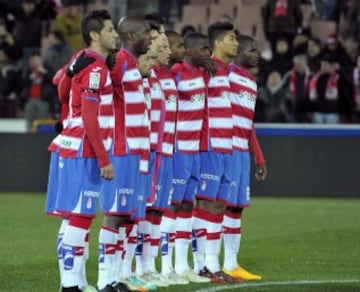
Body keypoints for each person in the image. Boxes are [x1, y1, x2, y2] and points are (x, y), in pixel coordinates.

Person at [46, 9, 118, 292]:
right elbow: (90, 116)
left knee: (72, 216)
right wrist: (104, 158)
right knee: (81, 216)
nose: (115, 34)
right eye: (111, 30)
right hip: (82, 147)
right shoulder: (97, 67)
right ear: (95, 34)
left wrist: (70, 73)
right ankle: (70, 286)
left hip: (69, 142)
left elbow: (59, 87)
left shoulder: (79, 59)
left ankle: (75, 282)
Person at [96, 15, 152, 292]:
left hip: (137, 151)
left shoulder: (132, 64)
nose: (150, 39)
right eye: (146, 35)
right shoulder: (119, 61)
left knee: (129, 216)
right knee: (115, 215)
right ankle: (105, 279)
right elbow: (93, 82)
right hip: (121, 149)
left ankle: (118, 278)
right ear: (131, 36)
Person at [191, 22, 238, 283]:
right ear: (218, 43)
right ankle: (202, 264)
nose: (237, 43)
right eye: (232, 38)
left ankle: (212, 263)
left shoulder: (227, 70)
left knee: (219, 204)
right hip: (208, 144)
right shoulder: (206, 69)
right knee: (206, 203)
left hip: (225, 146)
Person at [169, 31, 212, 284]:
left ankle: (182, 265)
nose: (208, 54)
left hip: (194, 150)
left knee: (187, 205)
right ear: (189, 50)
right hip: (178, 149)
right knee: (173, 206)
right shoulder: (177, 71)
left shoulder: (202, 74)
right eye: (204, 49)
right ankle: (168, 267)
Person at [223, 34, 267, 281]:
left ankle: (231, 264)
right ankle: (204, 262)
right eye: (251, 49)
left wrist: (258, 157)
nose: (256, 53)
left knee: (237, 208)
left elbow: (249, 124)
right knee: (218, 206)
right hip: (225, 149)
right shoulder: (226, 74)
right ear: (238, 52)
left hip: (241, 152)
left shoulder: (252, 82)